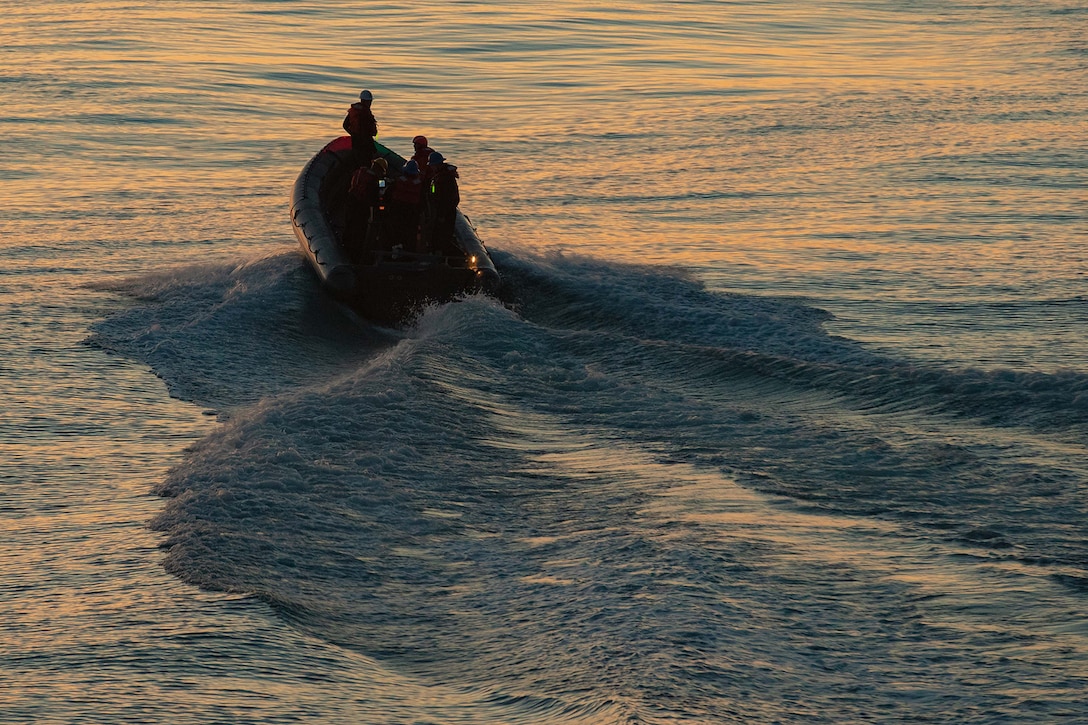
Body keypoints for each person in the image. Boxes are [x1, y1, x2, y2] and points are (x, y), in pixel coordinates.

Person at [346, 156, 388, 260]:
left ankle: (345, 246)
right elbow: (374, 197)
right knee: (360, 229)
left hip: (351, 201)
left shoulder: (360, 171)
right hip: (362, 206)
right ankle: (357, 254)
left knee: (350, 225)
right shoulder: (373, 180)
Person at [422, 151, 460, 255]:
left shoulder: (444, 179)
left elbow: (446, 199)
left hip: (445, 212)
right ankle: (437, 252)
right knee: (437, 234)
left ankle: (444, 255)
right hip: (440, 211)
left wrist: (442, 214)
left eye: (433, 165)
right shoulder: (439, 177)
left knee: (443, 235)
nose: (432, 168)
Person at [387, 160, 424, 251]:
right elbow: (422, 201)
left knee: (395, 230)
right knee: (411, 233)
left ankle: (392, 248)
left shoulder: (397, 181)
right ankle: (410, 251)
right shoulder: (420, 185)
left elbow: (387, 195)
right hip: (413, 212)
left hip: (397, 210)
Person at [342, 89, 378, 167]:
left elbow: (345, 125)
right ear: (366, 101)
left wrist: (353, 134)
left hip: (355, 142)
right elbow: (372, 132)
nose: (370, 103)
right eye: (369, 101)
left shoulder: (354, 111)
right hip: (365, 144)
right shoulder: (366, 113)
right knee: (366, 163)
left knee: (357, 162)